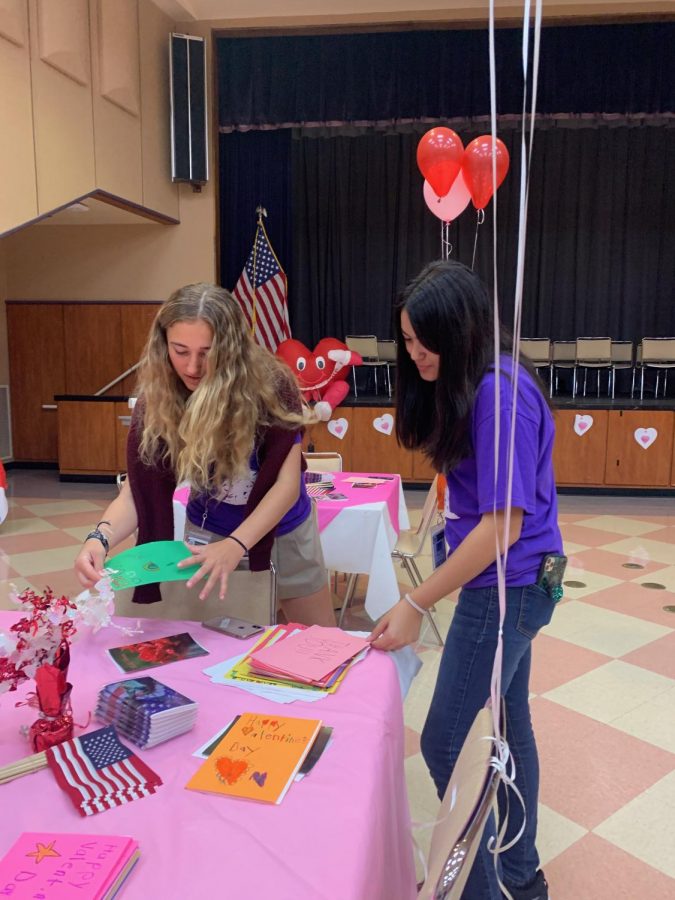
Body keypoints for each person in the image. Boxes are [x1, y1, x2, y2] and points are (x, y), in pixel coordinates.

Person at [369, 260, 561, 900]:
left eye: (426, 342)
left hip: (507, 588)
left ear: (462, 331)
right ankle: (521, 875)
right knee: (508, 726)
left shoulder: (501, 395)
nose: (416, 354)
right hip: (516, 583)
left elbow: (501, 528)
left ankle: (482, 889)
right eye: (407, 341)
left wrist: (414, 602)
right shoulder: (476, 383)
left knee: (448, 743)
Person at [74, 283, 336, 628]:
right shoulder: (161, 399)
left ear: (232, 349)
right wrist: (100, 537)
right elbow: (139, 492)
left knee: (317, 641)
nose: (193, 367)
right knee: (222, 648)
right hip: (207, 537)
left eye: (207, 352)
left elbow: (286, 487)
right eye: (180, 351)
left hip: (283, 534)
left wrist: (237, 545)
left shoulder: (272, 385)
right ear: (163, 344)